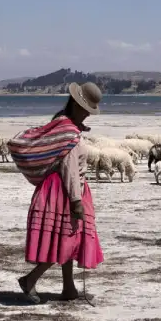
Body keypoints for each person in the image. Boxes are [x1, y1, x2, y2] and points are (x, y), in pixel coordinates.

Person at [18, 82, 104, 304]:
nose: (87, 115)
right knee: (65, 240)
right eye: (86, 110)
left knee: (67, 238)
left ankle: (69, 287)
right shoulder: (68, 132)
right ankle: (29, 280)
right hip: (63, 192)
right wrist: (76, 201)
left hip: (59, 189)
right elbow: (70, 169)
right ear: (77, 104)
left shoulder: (61, 124)